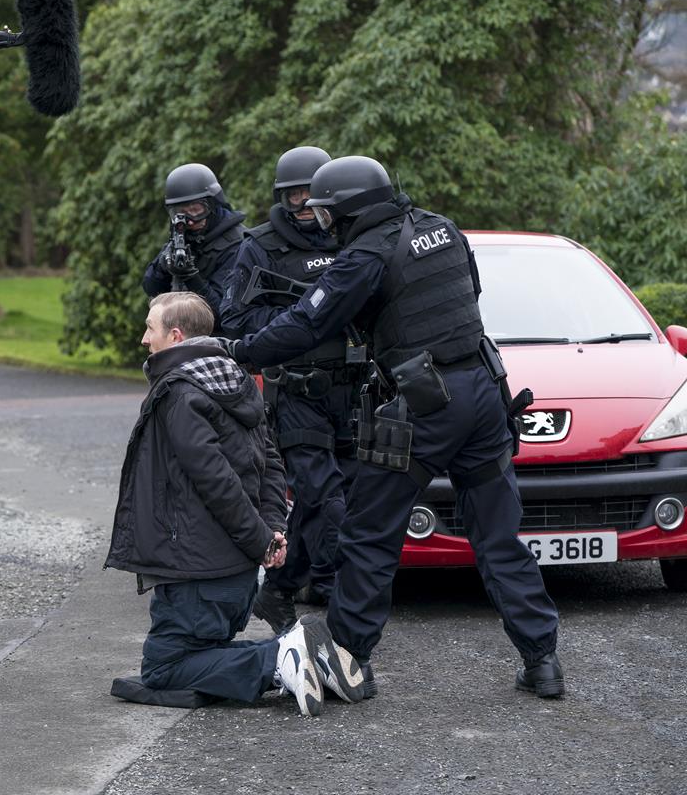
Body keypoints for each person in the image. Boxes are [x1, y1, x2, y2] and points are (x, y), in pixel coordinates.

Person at [226, 155, 564, 699]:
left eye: (328, 214)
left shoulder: (367, 254)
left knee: (369, 534)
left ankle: (349, 662)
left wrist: (238, 350)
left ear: (349, 210)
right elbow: (467, 296)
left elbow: (307, 323)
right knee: (499, 538)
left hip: (422, 403)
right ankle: (542, 660)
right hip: (483, 391)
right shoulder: (441, 227)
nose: (325, 225)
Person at [104, 291, 365, 716]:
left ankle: (281, 659)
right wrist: (273, 531)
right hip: (233, 574)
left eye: (150, 329)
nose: (143, 340)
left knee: (164, 670)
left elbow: (217, 482)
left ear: (174, 334)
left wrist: (262, 539)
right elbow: (272, 465)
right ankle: (310, 657)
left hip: (198, 572)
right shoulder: (237, 383)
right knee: (203, 656)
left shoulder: (179, 394)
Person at [219, 146, 360, 633]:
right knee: (322, 496)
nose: (303, 204)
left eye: (310, 194)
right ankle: (347, 603)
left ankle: (280, 590)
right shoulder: (259, 246)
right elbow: (235, 319)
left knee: (351, 496)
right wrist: (306, 316)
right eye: (293, 194)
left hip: (358, 389)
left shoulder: (350, 235)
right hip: (298, 391)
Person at [141, 163, 246, 322]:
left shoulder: (238, 244)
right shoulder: (183, 235)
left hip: (217, 339)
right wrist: (163, 265)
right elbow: (151, 288)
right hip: (179, 330)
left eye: (196, 210)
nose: (190, 221)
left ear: (212, 204)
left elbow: (224, 314)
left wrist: (191, 277)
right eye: (181, 213)